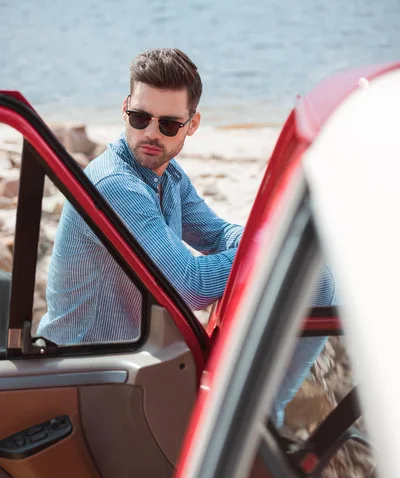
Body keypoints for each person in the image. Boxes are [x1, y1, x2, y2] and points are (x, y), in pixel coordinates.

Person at [37, 47, 335, 425]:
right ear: (125, 107)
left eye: (168, 125)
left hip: (135, 360)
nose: (149, 133)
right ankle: (258, 427)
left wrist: (266, 245)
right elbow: (190, 287)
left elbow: (217, 234)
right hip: (92, 376)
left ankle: (261, 419)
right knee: (312, 277)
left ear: (191, 125)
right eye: (140, 117)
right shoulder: (116, 184)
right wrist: (272, 248)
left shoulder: (167, 175)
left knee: (319, 278)